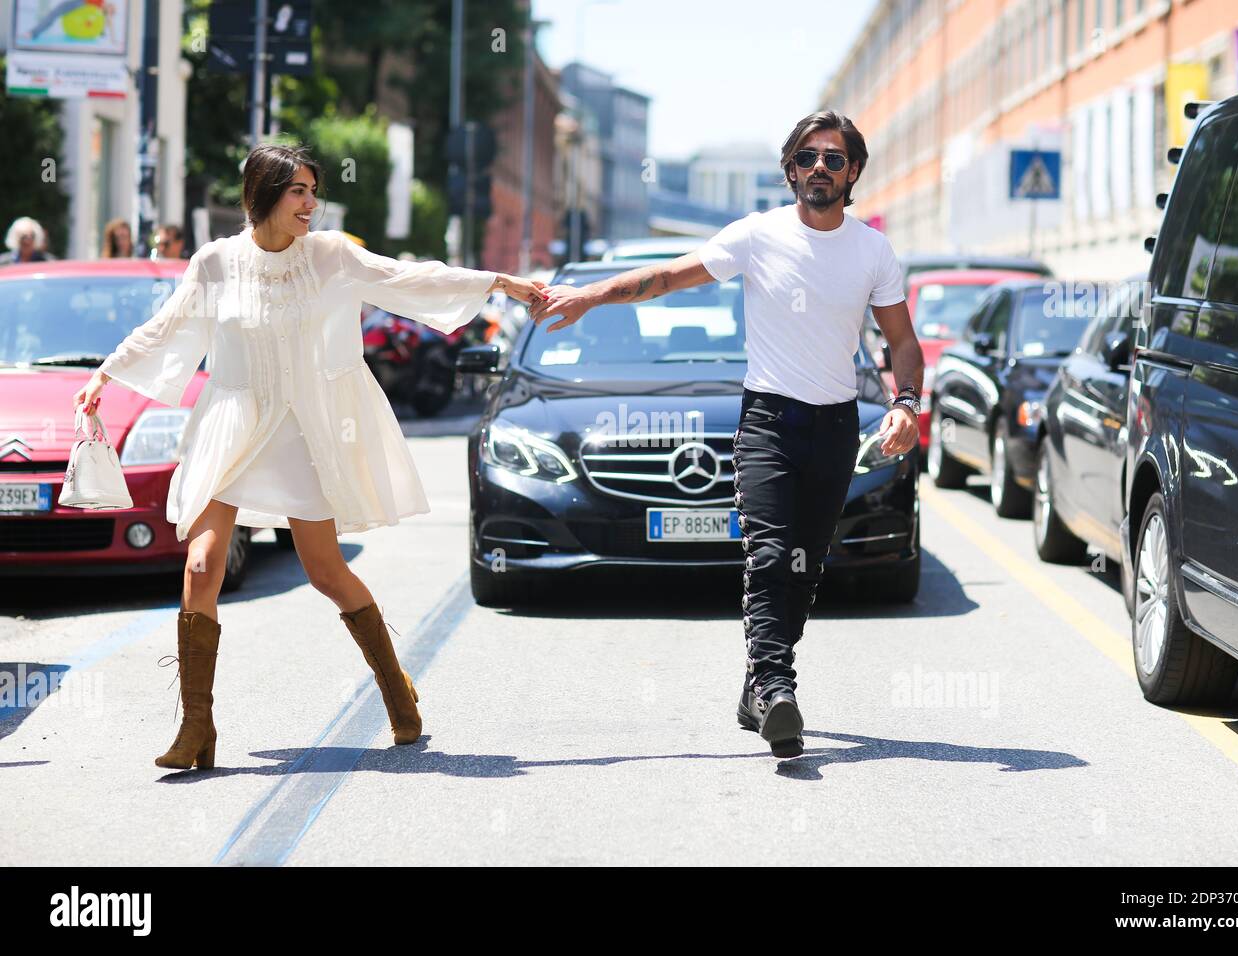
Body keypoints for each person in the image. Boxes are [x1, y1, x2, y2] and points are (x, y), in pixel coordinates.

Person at [74, 143, 547, 770]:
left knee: (324, 571)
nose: (310, 204)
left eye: (311, 191)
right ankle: (196, 725)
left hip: (301, 431)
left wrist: (495, 282)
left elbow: (406, 279)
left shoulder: (331, 257)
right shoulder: (215, 263)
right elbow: (167, 327)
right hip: (233, 422)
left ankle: (394, 685)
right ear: (264, 194)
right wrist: (106, 374)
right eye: (298, 191)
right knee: (200, 567)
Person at [529, 111, 923, 758]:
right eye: (806, 157)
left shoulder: (873, 252)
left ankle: (755, 689)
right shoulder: (756, 235)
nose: (818, 167)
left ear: (853, 172)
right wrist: (591, 295)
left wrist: (906, 402)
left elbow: (902, 342)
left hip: (836, 425)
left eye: (833, 158)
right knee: (769, 556)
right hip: (768, 421)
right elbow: (666, 277)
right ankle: (776, 687)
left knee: (803, 567)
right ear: (790, 169)